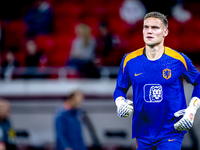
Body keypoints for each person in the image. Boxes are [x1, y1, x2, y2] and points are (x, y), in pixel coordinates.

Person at [113, 11, 200, 150]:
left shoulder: (179, 60)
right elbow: (120, 89)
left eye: (155, 28)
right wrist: (120, 102)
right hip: (142, 130)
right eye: (146, 27)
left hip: (171, 130)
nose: (149, 31)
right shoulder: (129, 60)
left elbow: (199, 82)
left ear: (165, 32)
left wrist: (192, 110)